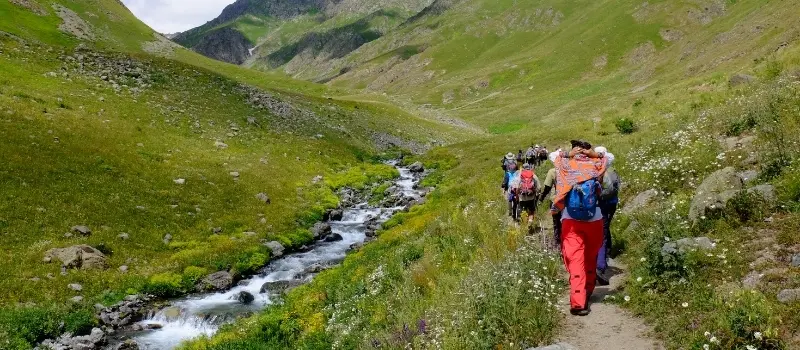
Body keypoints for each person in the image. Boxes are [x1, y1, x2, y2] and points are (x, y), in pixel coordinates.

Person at [550, 140, 608, 316]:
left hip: (571, 220)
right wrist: (593, 154)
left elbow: (554, 155)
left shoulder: (565, 164)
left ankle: (578, 302)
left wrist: (569, 153)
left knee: (576, 261)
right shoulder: (596, 164)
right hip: (595, 219)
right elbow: (609, 156)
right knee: (590, 257)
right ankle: (588, 290)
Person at [594, 146, 619, 286]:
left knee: (601, 234)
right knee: (605, 229)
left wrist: (597, 196)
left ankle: (600, 266)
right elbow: (616, 189)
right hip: (611, 204)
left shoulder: (598, 172)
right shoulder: (613, 171)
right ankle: (607, 253)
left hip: (601, 205)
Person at [539, 164, 560, 249]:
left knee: (556, 222)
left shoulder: (552, 171)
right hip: (569, 201)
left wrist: (541, 198)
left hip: (555, 200)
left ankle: (557, 241)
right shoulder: (572, 169)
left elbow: (547, 187)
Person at [515, 163, 540, 227]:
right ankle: (530, 223)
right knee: (531, 212)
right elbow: (539, 188)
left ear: (523, 168)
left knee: (523, 211)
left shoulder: (520, 175)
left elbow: (517, 188)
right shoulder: (533, 175)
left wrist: (517, 197)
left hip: (522, 197)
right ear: (529, 168)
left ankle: (524, 225)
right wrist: (536, 194)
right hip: (531, 198)